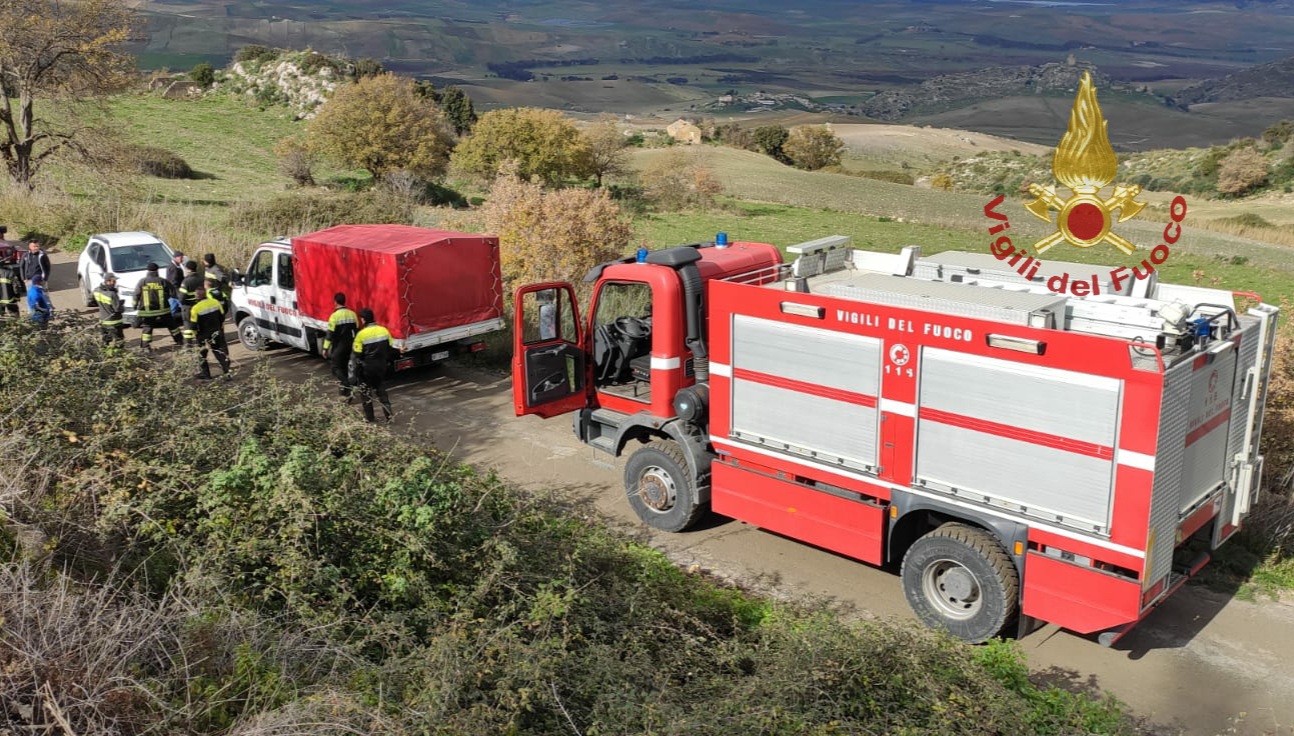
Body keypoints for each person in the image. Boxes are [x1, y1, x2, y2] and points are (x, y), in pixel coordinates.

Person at [351, 308, 394, 423]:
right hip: (381, 366)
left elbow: (357, 353)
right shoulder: (384, 330)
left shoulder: (361, 335)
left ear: (363, 320)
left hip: (366, 368)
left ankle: (370, 418)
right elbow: (390, 347)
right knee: (381, 390)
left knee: (365, 392)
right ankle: (389, 416)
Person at [136, 262, 183, 351]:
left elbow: (136, 294)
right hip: (163, 309)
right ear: (157, 270)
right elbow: (173, 293)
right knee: (172, 326)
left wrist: (135, 305)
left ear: (148, 270)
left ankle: (145, 346)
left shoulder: (142, 281)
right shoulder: (163, 281)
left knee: (147, 328)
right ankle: (180, 340)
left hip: (148, 310)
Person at [322, 292, 358, 398]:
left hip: (339, 346)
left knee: (335, 367)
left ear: (335, 302)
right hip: (350, 345)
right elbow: (356, 330)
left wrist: (325, 348)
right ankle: (346, 392)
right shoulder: (352, 314)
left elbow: (330, 334)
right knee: (344, 368)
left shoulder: (334, 316)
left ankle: (347, 384)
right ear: (344, 301)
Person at [189, 287, 230, 379]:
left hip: (203, 334)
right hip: (216, 331)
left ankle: (205, 374)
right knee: (219, 352)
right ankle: (227, 373)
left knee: (201, 354)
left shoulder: (195, 308)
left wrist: (196, 334)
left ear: (197, 296)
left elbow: (193, 326)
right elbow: (222, 317)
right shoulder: (216, 302)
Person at [94, 272, 125, 344]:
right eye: (113, 281)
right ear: (107, 281)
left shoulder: (96, 290)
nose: (115, 283)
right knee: (118, 340)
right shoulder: (112, 294)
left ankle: (105, 349)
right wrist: (121, 305)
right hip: (114, 322)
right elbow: (118, 309)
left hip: (103, 320)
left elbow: (91, 300)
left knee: (106, 340)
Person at [0, 249, 24, 318]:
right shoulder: (10, 273)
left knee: (1, 317)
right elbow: (16, 287)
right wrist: (17, 296)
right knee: (14, 315)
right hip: (10, 299)